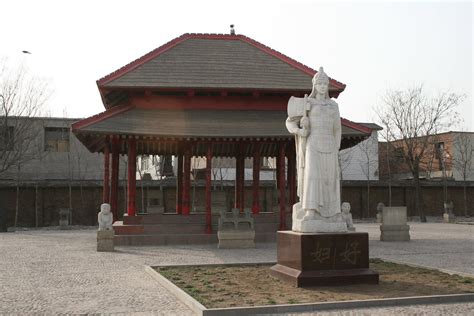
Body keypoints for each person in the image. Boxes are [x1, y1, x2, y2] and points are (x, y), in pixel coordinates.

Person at [286, 67, 342, 222]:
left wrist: (336, 146)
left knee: (330, 179)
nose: (323, 86)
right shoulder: (307, 102)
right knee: (313, 177)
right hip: (313, 143)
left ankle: (333, 212)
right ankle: (311, 210)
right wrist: (299, 130)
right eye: (320, 83)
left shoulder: (333, 106)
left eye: (325, 83)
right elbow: (289, 121)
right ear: (315, 86)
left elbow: (337, 128)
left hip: (330, 144)